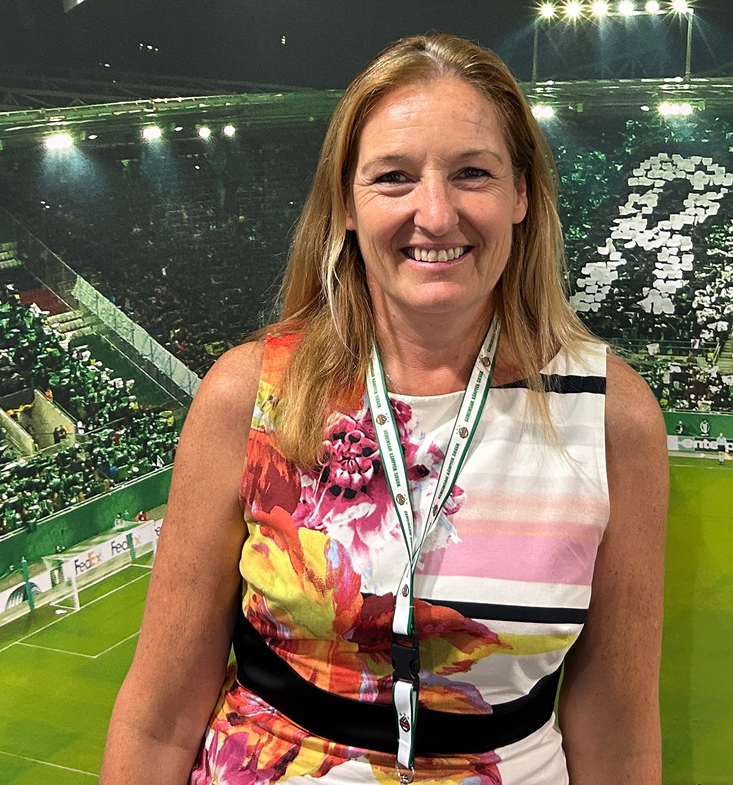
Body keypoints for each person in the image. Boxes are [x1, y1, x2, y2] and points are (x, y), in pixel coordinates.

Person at [100, 33, 667, 785]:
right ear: (345, 202)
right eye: (394, 177)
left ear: (521, 195)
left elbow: (618, 731)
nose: (435, 214)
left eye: (472, 173)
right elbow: (158, 714)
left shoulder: (610, 416)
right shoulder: (249, 396)